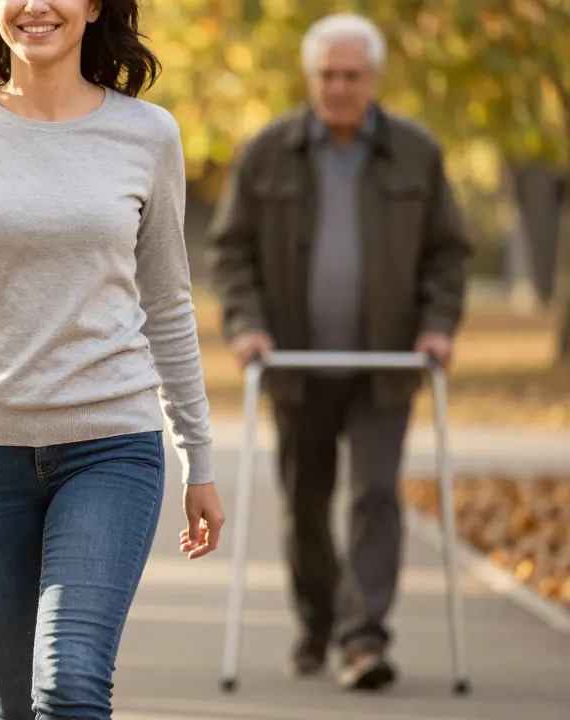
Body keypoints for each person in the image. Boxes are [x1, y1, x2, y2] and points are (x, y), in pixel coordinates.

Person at [0, 1, 226, 716]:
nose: (37, 5)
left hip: (110, 447)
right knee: (12, 703)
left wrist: (199, 456)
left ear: (95, 5)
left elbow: (167, 302)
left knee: (69, 684)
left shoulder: (147, 134)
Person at [207, 13, 471, 692]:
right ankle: (321, 621)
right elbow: (231, 253)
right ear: (310, 77)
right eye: (328, 74)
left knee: (377, 495)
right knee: (305, 503)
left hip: (388, 365)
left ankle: (362, 638)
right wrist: (246, 326)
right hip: (293, 365)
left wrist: (438, 326)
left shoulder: (417, 152)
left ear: (375, 79)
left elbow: (448, 254)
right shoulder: (267, 152)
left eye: (352, 75)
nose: (340, 86)